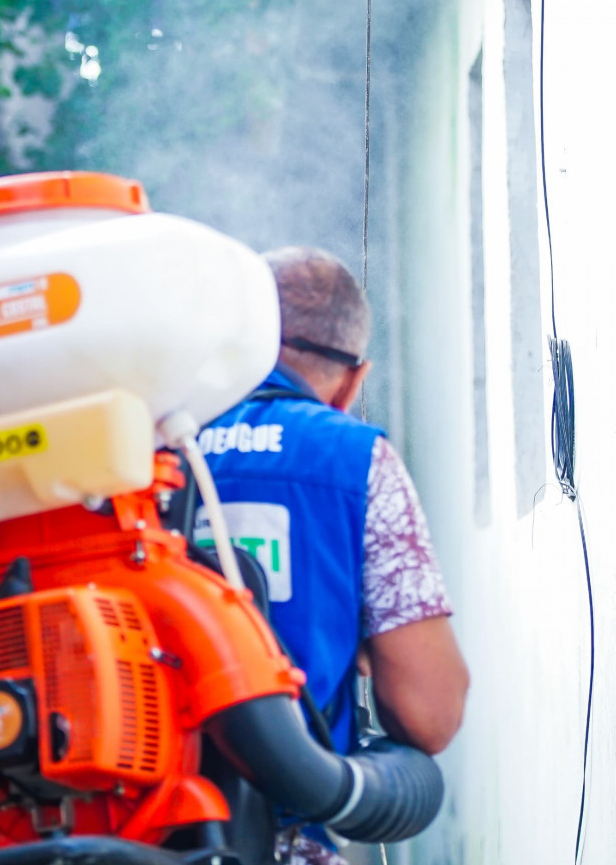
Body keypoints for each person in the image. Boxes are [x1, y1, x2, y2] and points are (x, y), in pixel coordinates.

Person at [197, 246, 468, 864]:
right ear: (352, 381)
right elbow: (429, 714)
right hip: (281, 841)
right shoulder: (356, 460)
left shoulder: (140, 443)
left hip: (118, 827)